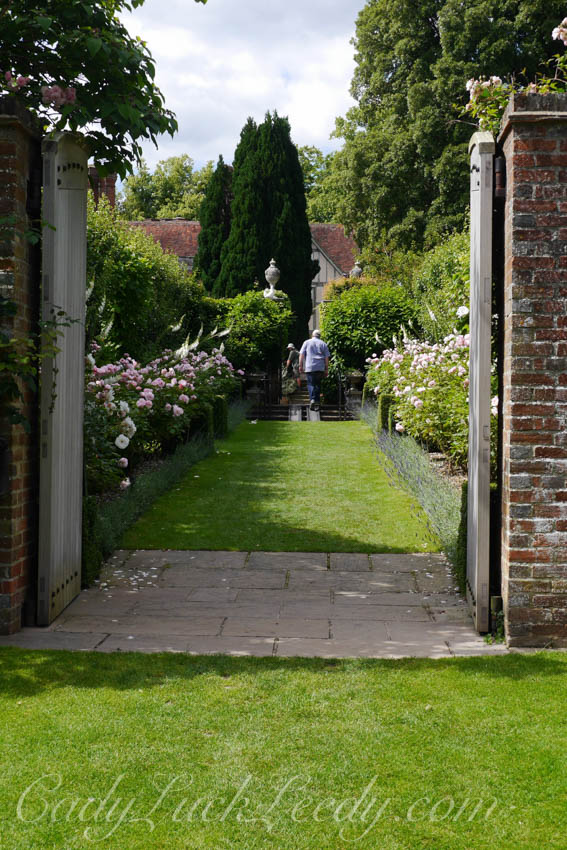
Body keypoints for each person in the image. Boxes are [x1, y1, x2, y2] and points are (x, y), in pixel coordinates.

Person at [299, 329, 330, 411]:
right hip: (320, 367)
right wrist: (326, 369)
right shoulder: (323, 344)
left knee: (310, 384)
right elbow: (326, 358)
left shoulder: (306, 342)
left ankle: (312, 399)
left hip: (310, 367)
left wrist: (300, 366)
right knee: (318, 384)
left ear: (312, 335)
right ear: (319, 336)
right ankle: (317, 402)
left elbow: (301, 355)